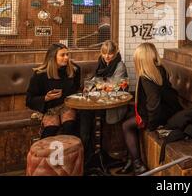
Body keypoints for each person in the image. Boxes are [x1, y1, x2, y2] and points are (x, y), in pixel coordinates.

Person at [116, 43, 182, 175]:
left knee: (126, 126)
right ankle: (130, 161)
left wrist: (152, 125)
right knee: (127, 115)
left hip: (161, 115)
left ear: (141, 59)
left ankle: (137, 164)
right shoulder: (159, 69)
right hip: (169, 110)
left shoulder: (146, 77)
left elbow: (153, 104)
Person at [80, 40, 129, 168]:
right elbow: (96, 79)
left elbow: (116, 86)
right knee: (85, 115)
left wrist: (99, 85)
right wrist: (89, 86)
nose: (107, 56)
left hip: (115, 102)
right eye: (104, 53)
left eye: (110, 54)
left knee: (99, 118)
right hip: (102, 101)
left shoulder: (120, 66)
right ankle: (91, 154)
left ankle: (104, 154)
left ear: (116, 52)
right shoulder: (101, 62)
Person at [26, 43, 80, 139]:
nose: (66, 58)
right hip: (49, 108)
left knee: (69, 126)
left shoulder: (74, 70)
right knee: (51, 128)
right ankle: (43, 152)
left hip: (67, 106)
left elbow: (76, 90)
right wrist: (46, 98)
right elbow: (29, 100)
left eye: (67, 54)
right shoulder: (40, 75)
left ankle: (69, 152)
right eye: (62, 55)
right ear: (52, 57)